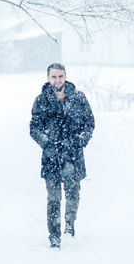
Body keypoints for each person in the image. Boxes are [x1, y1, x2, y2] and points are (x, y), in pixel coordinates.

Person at [30, 63, 95, 249]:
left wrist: (80, 141)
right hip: (51, 157)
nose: (57, 80)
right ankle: (54, 235)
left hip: (73, 156)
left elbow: (89, 123)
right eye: (53, 77)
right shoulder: (41, 100)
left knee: (73, 194)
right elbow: (34, 128)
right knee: (53, 198)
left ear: (65, 76)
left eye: (60, 76)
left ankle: (69, 226)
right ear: (48, 78)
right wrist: (47, 143)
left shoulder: (78, 98)